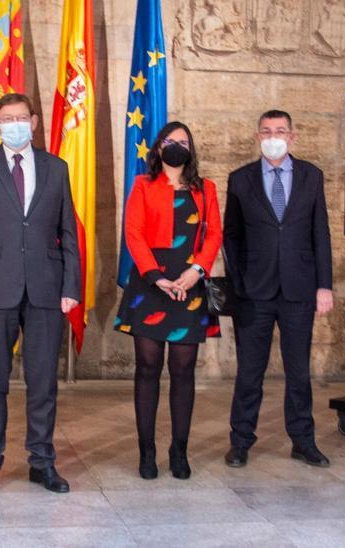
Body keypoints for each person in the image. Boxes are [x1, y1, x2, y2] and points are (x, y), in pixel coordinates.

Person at [0, 93, 81, 497]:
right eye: (7, 118)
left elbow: (69, 234)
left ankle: (42, 461)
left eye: (21, 117)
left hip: (46, 287)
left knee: (43, 380)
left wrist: (72, 287)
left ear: (35, 121)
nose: (15, 124)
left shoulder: (56, 168)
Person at [222, 110, 335, 470]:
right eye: (267, 131)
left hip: (299, 289)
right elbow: (232, 236)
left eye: (281, 130)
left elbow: (321, 233)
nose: (274, 136)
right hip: (254, 292)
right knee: (249, 371)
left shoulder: (311, 177)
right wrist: (238, 284)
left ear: (292, 136)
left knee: (299, 372)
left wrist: (325, 285)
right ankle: (240, 441)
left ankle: (303, 440)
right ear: (258, 137)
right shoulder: (240, 180)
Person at [115, 121, 222, 480]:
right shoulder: (142, 186)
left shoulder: (206, 188)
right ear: (159, 147)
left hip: (189, 283)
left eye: (184, 141)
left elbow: (214, 234)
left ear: (191, 149)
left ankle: (179, 449)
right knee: (147, 367)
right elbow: (134, 232)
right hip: (150, 282)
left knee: (183, 369)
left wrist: (197, 271)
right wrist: (155, 276)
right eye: (171, 141)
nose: (178, 146)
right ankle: (147, 451)